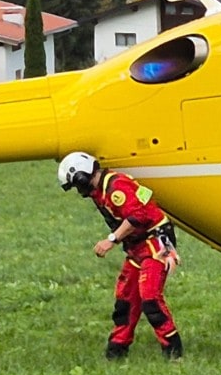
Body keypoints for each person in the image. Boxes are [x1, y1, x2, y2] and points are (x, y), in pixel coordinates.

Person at [58, 151, 183, 360]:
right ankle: (117, 350)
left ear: (83, 176)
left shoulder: (117, 187)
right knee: (125, 300)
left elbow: (138, 217)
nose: (80, 191)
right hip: (136, 247)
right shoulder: (100, 191)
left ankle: (173, 351)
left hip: (155, 243)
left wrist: (111, 240)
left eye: (78, 185)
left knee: (150, 297)